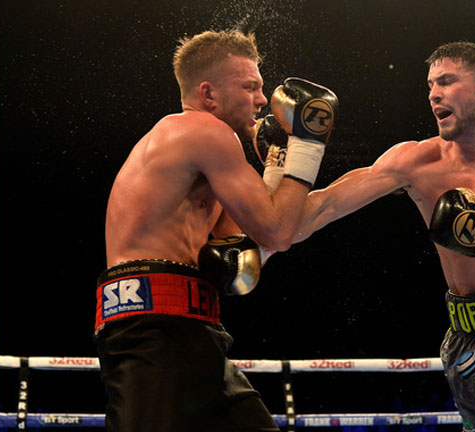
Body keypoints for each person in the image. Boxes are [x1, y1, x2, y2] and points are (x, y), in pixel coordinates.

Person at [295, 42, 475, 432]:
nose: (433, 94)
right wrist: (287, 170)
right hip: (462, 338)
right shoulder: (416, 161)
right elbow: (321, 209)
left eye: (447, 82)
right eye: (431, 84)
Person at [94, 29, 338, 431]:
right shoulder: (204, 131)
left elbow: (245, 243)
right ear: (208, 94)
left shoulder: (198, 153)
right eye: (250, 87)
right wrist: (308, 145)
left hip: (192, 335)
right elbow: (277, 232)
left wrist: (276, 166)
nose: (262, 100)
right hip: (153, 335)